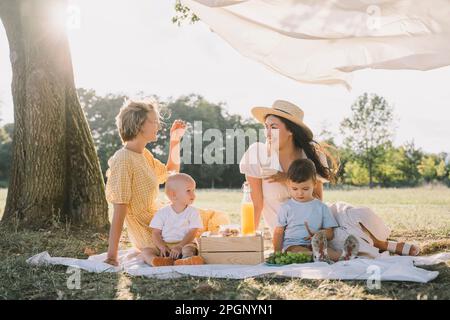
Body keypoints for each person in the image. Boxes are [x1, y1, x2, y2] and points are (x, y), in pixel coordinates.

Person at [239, 100, 420, 257]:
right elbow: (256, 204)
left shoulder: (310, 153)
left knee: (358, 215)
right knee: (345, 241)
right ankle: (382, 246)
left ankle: (381, 243)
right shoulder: (257, 153)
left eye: (274, 127)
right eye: (266, 127)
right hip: (290, 231)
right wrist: (247, 241)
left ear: (290, 131)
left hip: (316, 216)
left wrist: (289, 179)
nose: (267, 133)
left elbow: (318, 200)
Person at [103, 99, 186, 266]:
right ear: (139, 124)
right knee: (194, 233)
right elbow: (119, 209)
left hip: (158, 220)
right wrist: (112, 256)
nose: (159, 126)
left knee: (200, 222)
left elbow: (170, 173)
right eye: (154, 122)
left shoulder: (144, 154)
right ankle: (156, 255)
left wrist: (175, 141)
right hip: (146, 229)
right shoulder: (123, 159)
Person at [273, 158, 359, 262]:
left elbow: (330, 234)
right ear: (288, 184)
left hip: (317, 245)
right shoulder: (286, 207)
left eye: (305, 189)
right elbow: (278, 232)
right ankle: (318, 256)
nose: (300, 193)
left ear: (314, 183)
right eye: (294, 189)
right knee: (297, 251)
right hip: (293, 245)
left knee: (331, 251)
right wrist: (276, 253)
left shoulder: (321, 207)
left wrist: (318, 234)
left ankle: (343, 255)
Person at [148, 173, 205, 266]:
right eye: (188, 191)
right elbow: (155, 233)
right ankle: (157, 261)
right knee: (146, 251)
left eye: (193, 190)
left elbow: (193, 232)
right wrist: (162, 247)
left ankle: (185, 260)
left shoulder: (193, 212)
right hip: (166, 245)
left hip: (185, 244)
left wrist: (180, 246)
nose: (193, 195)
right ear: (174, 194)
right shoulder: (162, 212)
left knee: (189, 249)